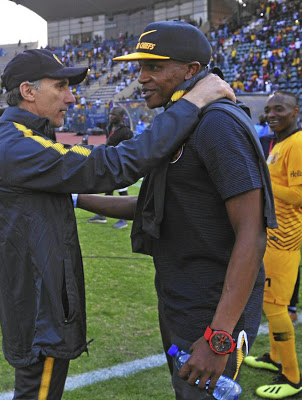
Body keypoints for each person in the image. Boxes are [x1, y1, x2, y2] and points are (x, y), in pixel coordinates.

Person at [0, 48, 235, 399]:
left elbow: (65, 194)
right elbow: (114, 164)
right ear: (28, 91)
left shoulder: (15, 140)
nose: (71, 97)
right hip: (42, 316)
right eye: (61, 86)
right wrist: (195, 100)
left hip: (37, 307)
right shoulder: (16, 147)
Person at [76, 21, 277, 399]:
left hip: (212, 309)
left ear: (191, 71)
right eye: (140, 68)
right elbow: (152, 206)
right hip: (182, 298)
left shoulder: (218, 124)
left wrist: (219, 339)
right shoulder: (184, 120)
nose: (141, 78)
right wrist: (74, 198)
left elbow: (252, 233)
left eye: (154, 67)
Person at [244, 91, 302, 399]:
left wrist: (262, 182)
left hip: (284, 239)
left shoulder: (298, 144)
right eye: (269, 109)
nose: (272, 114)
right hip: (273, 235)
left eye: (280, 109)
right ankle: (274, 357)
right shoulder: (280, 143)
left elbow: (299, 196)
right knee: (269, 301)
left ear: (295, 112)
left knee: (275, 306)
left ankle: (292, 377)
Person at [87, 106, 134, 229]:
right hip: (110, 163)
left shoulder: (126, 132)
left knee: (122, 191)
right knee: (109, 189)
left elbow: (130, 149)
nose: (111, 116)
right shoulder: (109, 127)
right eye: (110, 114)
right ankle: (102, 215)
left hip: (121, 165)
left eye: (114, 115)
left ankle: (123, 219)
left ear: (121, 117)